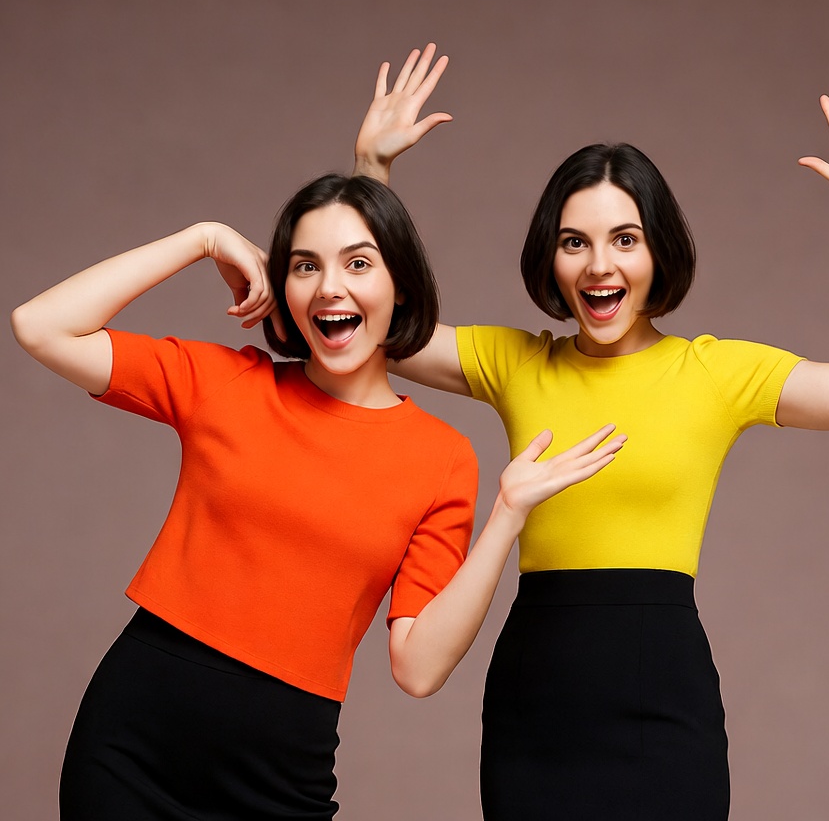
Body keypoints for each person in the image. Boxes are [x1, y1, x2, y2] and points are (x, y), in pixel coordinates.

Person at [352, 44, 829, 820]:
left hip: (665, 705)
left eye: (624, 239)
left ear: (658, 251)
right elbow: (369, 325)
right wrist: (371, 169)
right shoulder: (517, 362)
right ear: (551, 258)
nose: (599, 265)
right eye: (575, 242)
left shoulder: (716, 373)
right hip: (537, 706)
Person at [10, 172, 625, 820]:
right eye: (306, 266)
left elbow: (419, 670)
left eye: (358, 263)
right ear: (285, 288)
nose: (330, 286)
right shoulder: (226, 383)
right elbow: (40, 327)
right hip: (131, 750)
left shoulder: (442, 458)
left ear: (401, 286)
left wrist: (506, 517)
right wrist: (203, 238)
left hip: (280, 778)